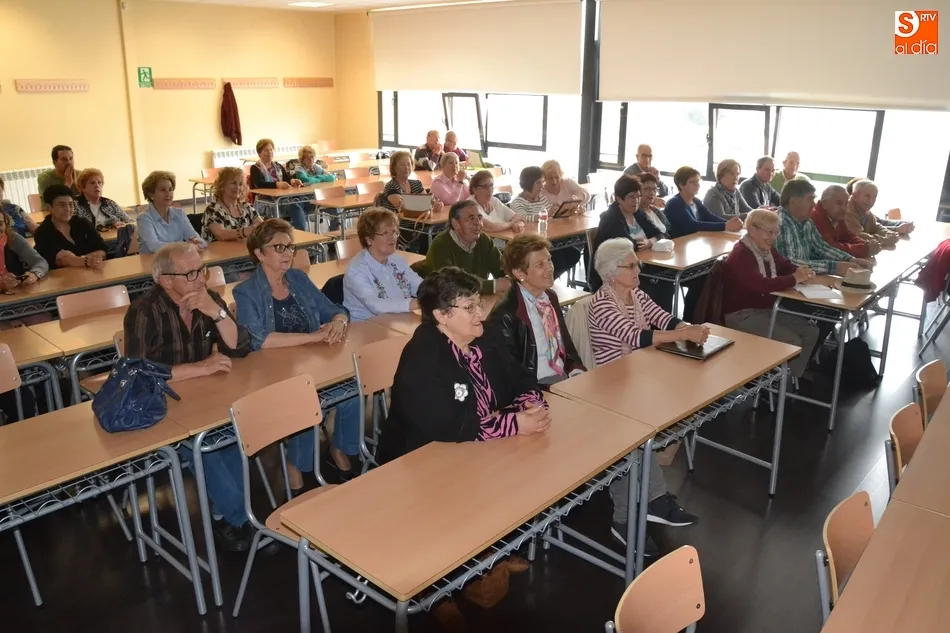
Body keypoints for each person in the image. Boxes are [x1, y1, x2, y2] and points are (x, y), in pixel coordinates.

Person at [124, 242, 254, 552]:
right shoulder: (144, 311)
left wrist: (217, 313)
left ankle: (227, 514)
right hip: (160, 405)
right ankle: (239, 518)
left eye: (202, 270)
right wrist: (200, 368)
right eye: (191, 273)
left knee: (234, 433)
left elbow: (241, 346)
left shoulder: (206, 299)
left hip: (205, 397)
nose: (201, 279)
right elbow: (139, 370)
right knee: (204, 447)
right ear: (166, 280)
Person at [587, 238, 701, 551]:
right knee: (634, 439)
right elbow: (636, 337)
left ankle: (655, 499)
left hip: (637, 379)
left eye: (637, 263)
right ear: (611, 273)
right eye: (632, 265)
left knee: (665, 418)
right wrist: (682, 335)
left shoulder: (634, 293)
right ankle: (625, 518)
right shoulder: (601, 304)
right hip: (611, 389)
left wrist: (687, 325)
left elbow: (661, 317)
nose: (639, 268)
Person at [376, 266, 550, 464]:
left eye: (479, 304)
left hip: (480, 451)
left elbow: (519, 376)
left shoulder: (484, 338)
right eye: (470, 307)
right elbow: (447, 425)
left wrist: (530, 403)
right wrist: (515, 423)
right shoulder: (422, 359)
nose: (480, 313)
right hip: (421, 460)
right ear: (441, 315)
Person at [233, 219, 362, 481]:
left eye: (290, 247)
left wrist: (339, 320)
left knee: (354, 389)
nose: (287, 253)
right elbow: (258, 338)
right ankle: (297, 466)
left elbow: (334, 309)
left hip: (309, 363)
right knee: (306, 400)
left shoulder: (298, 279)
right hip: (269, 373)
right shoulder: (245, 291)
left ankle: (340, 449)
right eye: (278, 247)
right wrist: (311, 337)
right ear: (259, 253)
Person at [722, 209, 819, 378]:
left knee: (811, 332)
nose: (774, 237)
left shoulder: (766, 250)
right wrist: (794, 278)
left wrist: (801, 272)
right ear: (752, 230)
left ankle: (791, 378)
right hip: (741, 314)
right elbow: (760, 285)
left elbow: (784, 265)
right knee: (792, 341)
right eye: (769, 232)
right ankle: (775, 384)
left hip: (765, 308)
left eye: (776, 232)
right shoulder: (741, 254)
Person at [488, 235, 585, 385]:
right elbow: (507, 373)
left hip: (563, 377)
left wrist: (576, 371)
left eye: (549, 260)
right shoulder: (507, 313)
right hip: (536, 386)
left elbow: (567, 346)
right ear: (519, 273)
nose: (550, 268)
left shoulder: (549, 297)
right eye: (540, 265)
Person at [343, 208, 423, 321]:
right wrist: (418, 303)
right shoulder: (356, 270)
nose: (393, 238)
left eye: (395, 232)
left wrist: (438, 293)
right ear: (369, 239)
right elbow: (376, 305)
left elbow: (420, 287)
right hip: (366, 328)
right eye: (385, 233)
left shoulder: (398, 261)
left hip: (398, 321)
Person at [775, 179, 869, 275]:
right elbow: (790, 264)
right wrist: (835, 267)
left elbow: (821, 247)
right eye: (810, 199)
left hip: (804, 280)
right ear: (794, 201)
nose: (814, 204)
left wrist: (850, 259)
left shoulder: (806, 221)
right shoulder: (781, 223)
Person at [589, 176, 664, 291]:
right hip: (616, 272)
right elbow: (628, 245)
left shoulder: (637, 212)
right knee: (658, 284)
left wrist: (649, 241)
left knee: (666, 283)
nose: (636, 201)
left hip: (639, 264)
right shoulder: (610, 218)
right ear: (618, 198)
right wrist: (647, 243)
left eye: (638, 196)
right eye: (631, 197)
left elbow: (659, 233)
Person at [422, 200, 509, 294]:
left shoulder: (484, 240)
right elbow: (450, 286)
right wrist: (494, 286)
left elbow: (501, 269)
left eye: (480, 218)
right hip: (444, 301)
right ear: (456, 224)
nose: (478, 223)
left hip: (476, 299)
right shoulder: (440, 245)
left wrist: (512, 275)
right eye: (471, 219)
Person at [33, 184, 107, 270]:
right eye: (62, 205)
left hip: (94, 272)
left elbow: (102, 248)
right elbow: (62, 260)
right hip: (64, 279)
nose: (68, 209)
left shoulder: (83, 223)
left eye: (71, 204)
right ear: (49, 207)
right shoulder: (42, 232)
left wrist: (85, 259)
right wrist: (88, 260)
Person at [136, 171, 207, 254]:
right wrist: (186, 246)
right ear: (151, 194)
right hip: (152, 263)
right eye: (163, 190)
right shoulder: (144, 218)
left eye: (170, 189)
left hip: (178, 261)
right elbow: (154, 246)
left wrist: (197, 244)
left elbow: (199, 241)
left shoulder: (179, 213)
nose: (168, 194)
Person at [664, 166, 744, 238]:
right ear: (681, 185)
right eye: (692, 182)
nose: (697, 185)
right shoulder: (675, 203)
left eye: (698, 181)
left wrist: (731, 223)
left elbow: (710, 217)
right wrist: (725, 226)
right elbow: (693, 226)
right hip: (678, 245)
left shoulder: (695, 200)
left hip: (694, 241)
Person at [249, 138, 307, 231]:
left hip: (282, 199)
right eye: (266, 150)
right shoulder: (255, 168)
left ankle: (303, 237)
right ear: (259, 153)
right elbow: (259, 184)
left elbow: (287, 180)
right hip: (265, 202)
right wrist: (277, 184)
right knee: (295, 209)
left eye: (271, 149)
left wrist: (293, 181)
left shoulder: (278, 166)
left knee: (298, 208)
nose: (269, 152)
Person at [811, 185, 878, 258]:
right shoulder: (815, 217)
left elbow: (848, 236)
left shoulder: (836, 216)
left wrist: (865, 244)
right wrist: (864, 249)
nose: (843, 208)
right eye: (839, 203)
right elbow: (831, 248)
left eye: (846, 204)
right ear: (824, 203)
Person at [201, 166, 263, 242]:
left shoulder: (246, 207)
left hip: (242, 251)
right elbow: (221, 235)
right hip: (218, 253)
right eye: (233, 183)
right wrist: (245, 231)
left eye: (240, 184)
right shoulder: (213, 210)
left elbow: (262, 227)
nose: (238, 187)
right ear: (222, 185)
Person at [844, 179, 907, 249]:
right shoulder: (847, 211)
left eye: (874, 197)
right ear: (855, 196)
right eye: (867, 196)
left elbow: (876, 226)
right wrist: (884, 240)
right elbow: (857, 235)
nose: (871, 201)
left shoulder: (864, 209)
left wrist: (890, 234)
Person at [0, 208, 47, 290]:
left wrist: (34, 274)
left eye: (0, 224)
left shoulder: (12, 238)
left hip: (17, 294)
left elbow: (40, 262)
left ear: (5, 223)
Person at [634, 172, 672, 237]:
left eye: (654, 189)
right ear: (637, 191)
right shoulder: (635, 213)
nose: (652, 193)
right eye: (646, 189)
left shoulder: (654, 209)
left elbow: (669, 230)